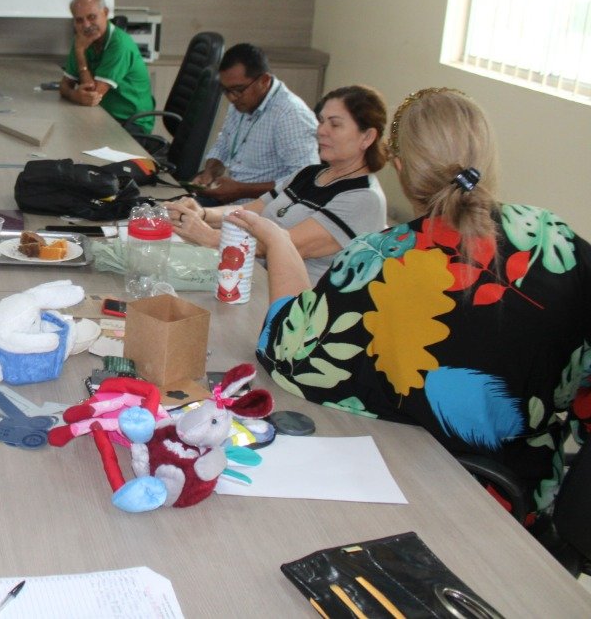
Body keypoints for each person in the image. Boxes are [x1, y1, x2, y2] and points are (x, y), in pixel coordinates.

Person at [238, 87, 591, 516]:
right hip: (525, 494)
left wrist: (277, 242)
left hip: (416, 487)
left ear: (401, 167)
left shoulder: (378, 258)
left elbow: (286, 350)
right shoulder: (558, 241)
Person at [169, 85, 388, 284]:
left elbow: (285, 245)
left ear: (367, 137)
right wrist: (203, 214)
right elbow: (248, 212)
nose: (321, 130)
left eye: (335, 124)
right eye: (321, 121)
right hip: (258, 278)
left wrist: (210, 237)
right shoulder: (309, 173)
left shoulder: (364, 199)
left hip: (301, 304)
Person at [190, 43, 318, 204]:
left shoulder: (291, 115)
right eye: (225, 90)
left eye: (238, 90)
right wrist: (209, 173)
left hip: (267, 211)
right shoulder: (242, 101)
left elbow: (305, 181)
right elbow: (223, 144)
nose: (231, 98)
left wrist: (241, 190)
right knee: (169, 210)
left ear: (264, 80)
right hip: (233, 204)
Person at [57, 0, 154, 134]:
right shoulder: (82, 40)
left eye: (91, 17)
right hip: (101, 116)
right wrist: (75, 95)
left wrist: (80, 53)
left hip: (130, 123)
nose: (86, 25)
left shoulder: (119, 44)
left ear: (106, 12)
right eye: (79, 20)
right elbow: (64, 86)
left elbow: (93, 96)